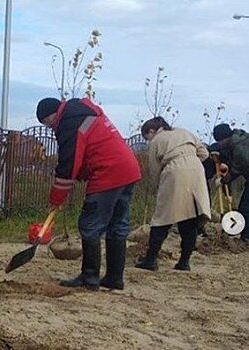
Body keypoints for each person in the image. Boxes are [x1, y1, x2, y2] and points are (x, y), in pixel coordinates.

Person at [36, 97, 142, 290]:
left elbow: (68, 164)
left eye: (47, 123)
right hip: (128, 170)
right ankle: (114, 278)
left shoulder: (69, 123)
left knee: (90, 224)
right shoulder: (85, 114)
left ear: (52, 115)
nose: (50, 128)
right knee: (117, 225)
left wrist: (56, 197)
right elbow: (87, 153)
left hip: (108, 173)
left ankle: (89, 278)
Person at [135, 117, 211, 272]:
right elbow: (204, 154)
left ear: (151, 131)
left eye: (146, 137)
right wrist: (190, 161)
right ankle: (184, 261)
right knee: (190, 218)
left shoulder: (157, 141)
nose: (148, 140)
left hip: (174, 171)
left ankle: (150, 259)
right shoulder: (185, 132)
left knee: (162, 219)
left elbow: (155, 170)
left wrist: (157, 187)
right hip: (196, 170)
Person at [213, 123, 249, 244]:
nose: (220, 144)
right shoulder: (238, 140)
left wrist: (223, 181)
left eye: (220, 142)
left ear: (224, 138)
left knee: (246, 208)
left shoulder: (239, 146)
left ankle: (246, 239)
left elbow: (238, 168)